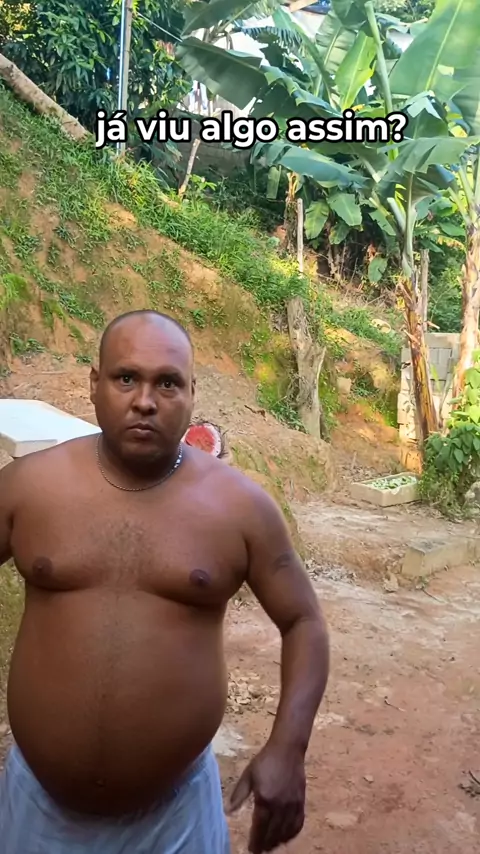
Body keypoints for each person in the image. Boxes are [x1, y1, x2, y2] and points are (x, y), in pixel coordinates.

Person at [0, 310, 330, 854]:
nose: (145, 401)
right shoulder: (28, 487)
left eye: (168, 383)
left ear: (192, 393)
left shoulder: (240, 509)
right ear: (94, 383)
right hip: (37, 810)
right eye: (126, 377)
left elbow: (303, 621)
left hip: (175, 820)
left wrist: (289, 746)